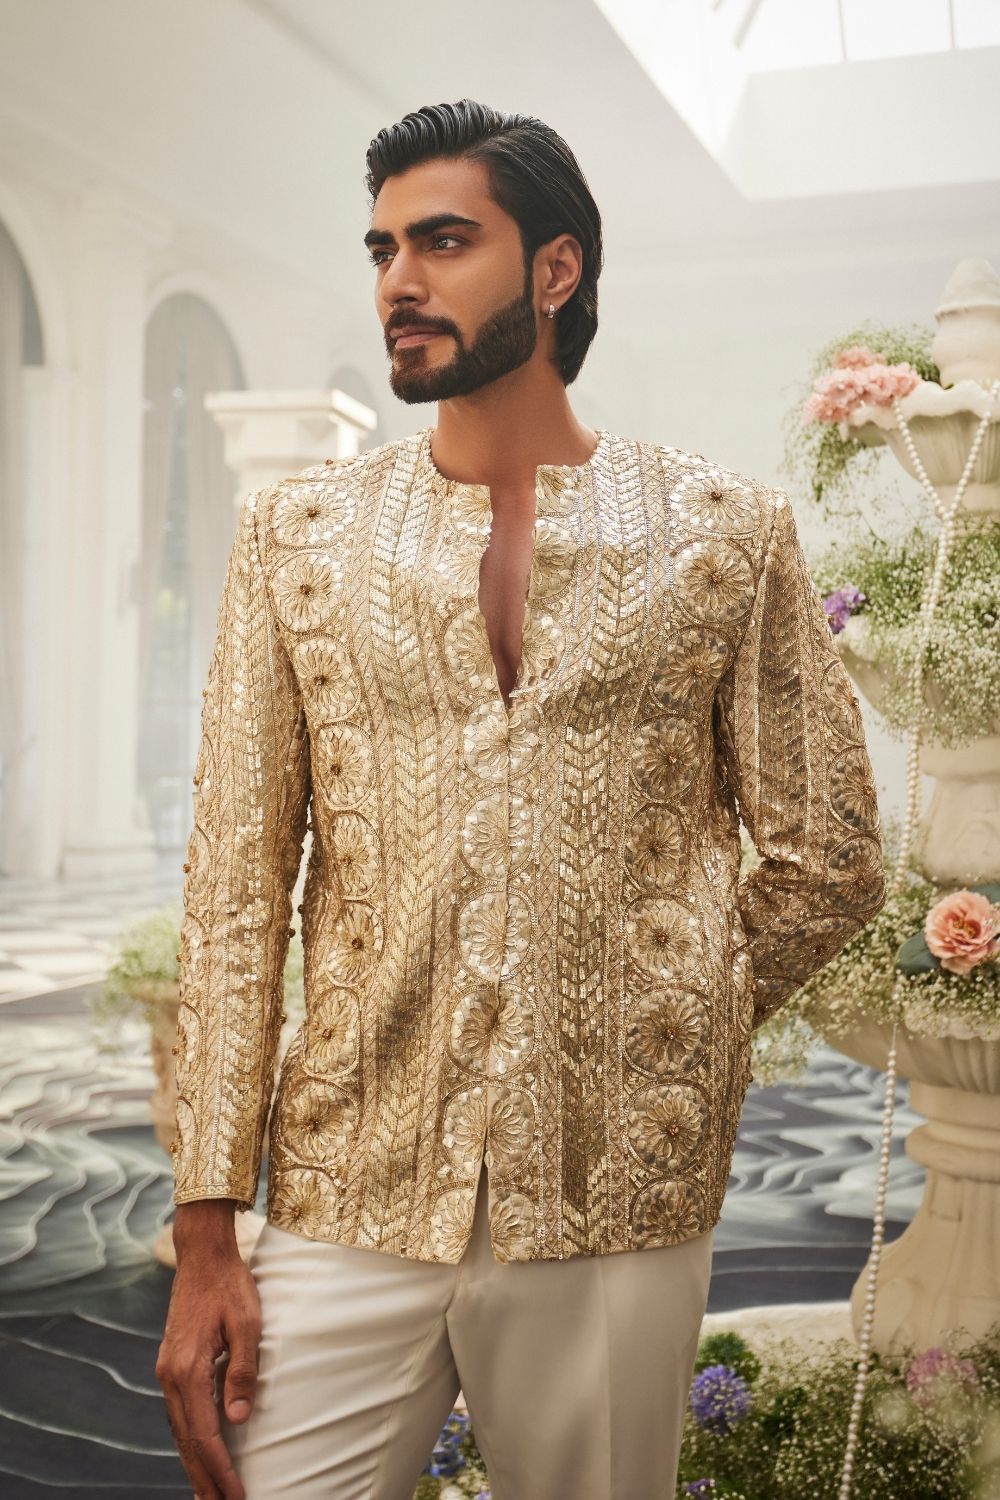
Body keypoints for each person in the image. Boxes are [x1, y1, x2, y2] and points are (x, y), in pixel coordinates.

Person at [155, 98, 886, 1500]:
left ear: (555, 269)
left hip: (614, 1191)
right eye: (381, 250)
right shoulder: (298, 538)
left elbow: (832, 852)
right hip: (350, 1177)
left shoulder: (720, 532)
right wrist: (206, 1229)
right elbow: (236, 891)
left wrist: (663, 1021)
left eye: (443, 242)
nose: (399, 282)